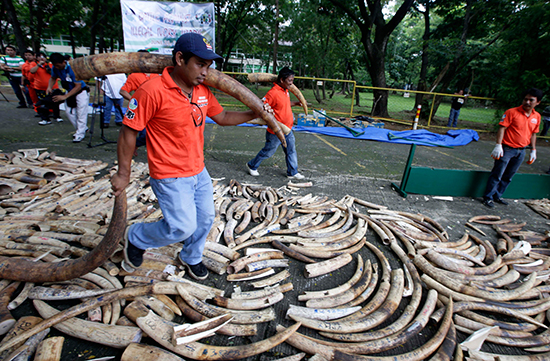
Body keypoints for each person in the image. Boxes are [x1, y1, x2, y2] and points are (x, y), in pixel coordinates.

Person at [110, 33, 272, 280]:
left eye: (208, 66)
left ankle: (191, 256)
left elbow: (223, 117)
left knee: (206, 218)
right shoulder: (151, 91)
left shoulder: (202, 91)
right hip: (169, 175)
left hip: (198, 171)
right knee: (181, 227)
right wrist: (124, 173)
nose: (205, 71)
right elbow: (128, 131)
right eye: (200, 64)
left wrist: (255, 112)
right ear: (179, 59)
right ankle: (136, 236)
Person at [482, 88, 543, 208]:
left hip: (522, 150)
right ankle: (488, 197)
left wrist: (533, 150)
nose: (527, 102)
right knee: (497, 174)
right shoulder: (512, 112)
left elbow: (534, 133)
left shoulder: (537, 116)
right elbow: (502, 128)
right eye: (526, 99)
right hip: (507, 148)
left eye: (531, 100)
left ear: (538, 102)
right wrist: (498, 145)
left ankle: (498, 195)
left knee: (509, 175)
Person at [246, 67, 305, 179]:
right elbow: (262, 106)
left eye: (292, 81)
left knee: (291, 150)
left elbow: (284, 104)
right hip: (276, 131)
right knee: (268, 151)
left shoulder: (285, 90)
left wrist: (296, 103)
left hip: (288, 129)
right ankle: (252, 165)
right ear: (282, 80)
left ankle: (292, 172)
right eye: (289, 81)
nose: (291, 83)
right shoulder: (272, 93)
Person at [119, 49, 161, 148]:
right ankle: (133, 146)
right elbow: (123, 91)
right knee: (144, 134)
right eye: (144, 58)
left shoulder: (155, 75)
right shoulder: (134, 76)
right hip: (141, 110)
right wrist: (134, 101)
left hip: (155, 111)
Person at [47, 53, 90, 143]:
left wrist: (64, 97)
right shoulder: (55, 68)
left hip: (80, 91)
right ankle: (82, 128)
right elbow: (53, 77)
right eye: (55, 66)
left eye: (58, 65)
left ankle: (79, 134)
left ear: (63, 62)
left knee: (81, 113)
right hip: (69, 90)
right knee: (69, 112)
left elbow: (78, 86)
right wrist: (49, 87)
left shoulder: (73, 68)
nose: (57, 67)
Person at [31, 52, 63, 125]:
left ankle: (56, 116)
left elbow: (54, 75)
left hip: (53, 88)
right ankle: (45, 118)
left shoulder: (51, 65)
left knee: (55, 102)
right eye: (39, 57)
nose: (42, 58)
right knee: (42, 103)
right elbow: (32, 71)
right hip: (40, 88)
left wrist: (47, 67)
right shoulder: (34, 64)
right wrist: (39, 65)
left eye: (43, 57)